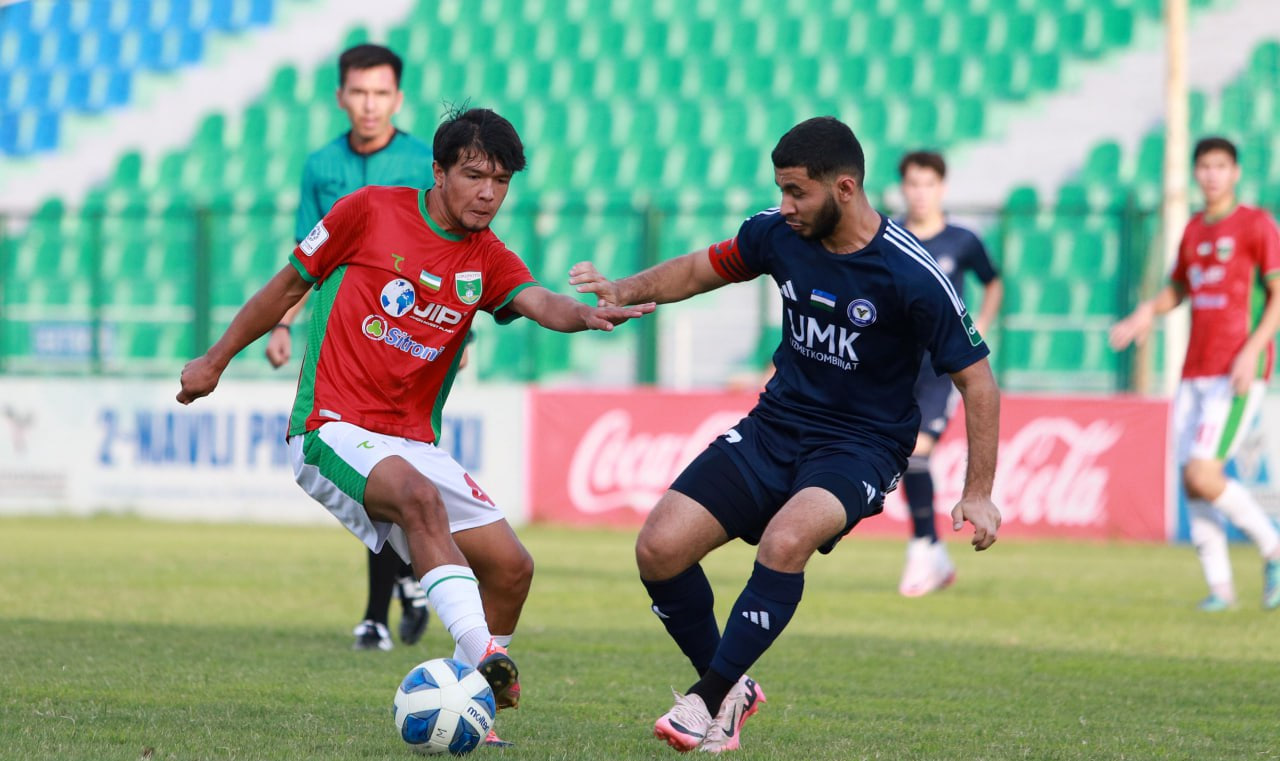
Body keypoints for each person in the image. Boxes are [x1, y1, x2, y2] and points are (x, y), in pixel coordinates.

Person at [178, 107, 655, 746]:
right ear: (438, 171)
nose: (488, 193)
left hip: (411, 441)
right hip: (331, 426)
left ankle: (468, 705)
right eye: (474, 175)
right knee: (418, 500)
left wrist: (585, 313)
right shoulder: (369, 210)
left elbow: (538, 301)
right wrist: (215, 360)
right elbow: (285, 285)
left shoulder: (486, 256)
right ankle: (485, 659)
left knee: (512, 567)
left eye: (502, 181)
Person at [569, 117, 1001, 753]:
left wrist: (980, 490)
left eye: (798, 192)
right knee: (658, 550)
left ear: (845, 188)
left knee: (785, 539)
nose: (785, 205)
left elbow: (980, 385)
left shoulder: (914, 274)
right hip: (776, 425)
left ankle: (708, 699)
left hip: (863, 445)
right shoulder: (777, 233)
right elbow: (699, 269)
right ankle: (732, 687)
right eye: (781, 190)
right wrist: (624, 289)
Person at [268, 43, 438, 652]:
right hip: (343, 341)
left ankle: (387, 603)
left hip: (416, 339)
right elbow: (305, 258)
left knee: (397, 474)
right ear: (341, 97)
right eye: (359, 93)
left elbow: (455, 249)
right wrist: (284, 324)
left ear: (398, 99)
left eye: (380, 93)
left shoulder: (425, 162)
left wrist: (457, 332)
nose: (369, 105)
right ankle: (401, 588)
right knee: (370, 472)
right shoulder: (321, 166)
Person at [1110, 136, 1280, 612]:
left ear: (1236, 172)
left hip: (1236, 370)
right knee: (1191, 480)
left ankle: (1273, 547)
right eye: (1204, 166)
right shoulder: (1193, 231)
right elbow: (1179, 289)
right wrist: (1147, 312)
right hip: (1194, 371)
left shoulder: (1256, 225)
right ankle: (1221, 588)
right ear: (1196, 172)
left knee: (1205, 474)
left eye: (1221, 166)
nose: (1212, 175)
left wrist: (1252, 351)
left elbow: (1277, 296)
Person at [894, 150, 1003, 597]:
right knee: (902, 458)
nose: (920, 193)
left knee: (917, 453)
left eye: (928, 184)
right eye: (913, 184)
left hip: (941, 368)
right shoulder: (892, 236)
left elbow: (992, 280)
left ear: (942, 187)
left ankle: (923, 550)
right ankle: (934, 552)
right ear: (903, 188)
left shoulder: (962, 240)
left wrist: (981, 325)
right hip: (897, 364)